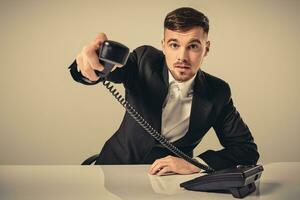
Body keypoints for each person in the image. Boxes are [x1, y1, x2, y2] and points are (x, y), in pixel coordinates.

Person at [69, 7, 259, 176]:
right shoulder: (144, 60)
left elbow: (246, 149)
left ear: (206, 49)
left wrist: (195, 164)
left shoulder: (218, 91)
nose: (182, 57)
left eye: (193, 46)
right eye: (174, 45)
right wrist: (91, 68)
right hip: (114, 170)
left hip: (170, 182)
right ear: (163, 45)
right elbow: (113, 71)